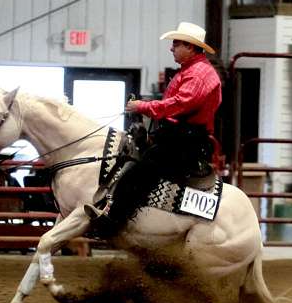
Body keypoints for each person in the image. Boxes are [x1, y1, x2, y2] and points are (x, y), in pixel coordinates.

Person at [85, 21, 222, 235]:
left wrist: (143, 106)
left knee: (138, 173)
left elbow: (180, 103)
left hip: (185, 142)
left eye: (176, 44)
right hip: (180, 137)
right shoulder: (193, 71)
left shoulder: (198, 74)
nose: (171, 48)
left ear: (190, 47)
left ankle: (112, 223)